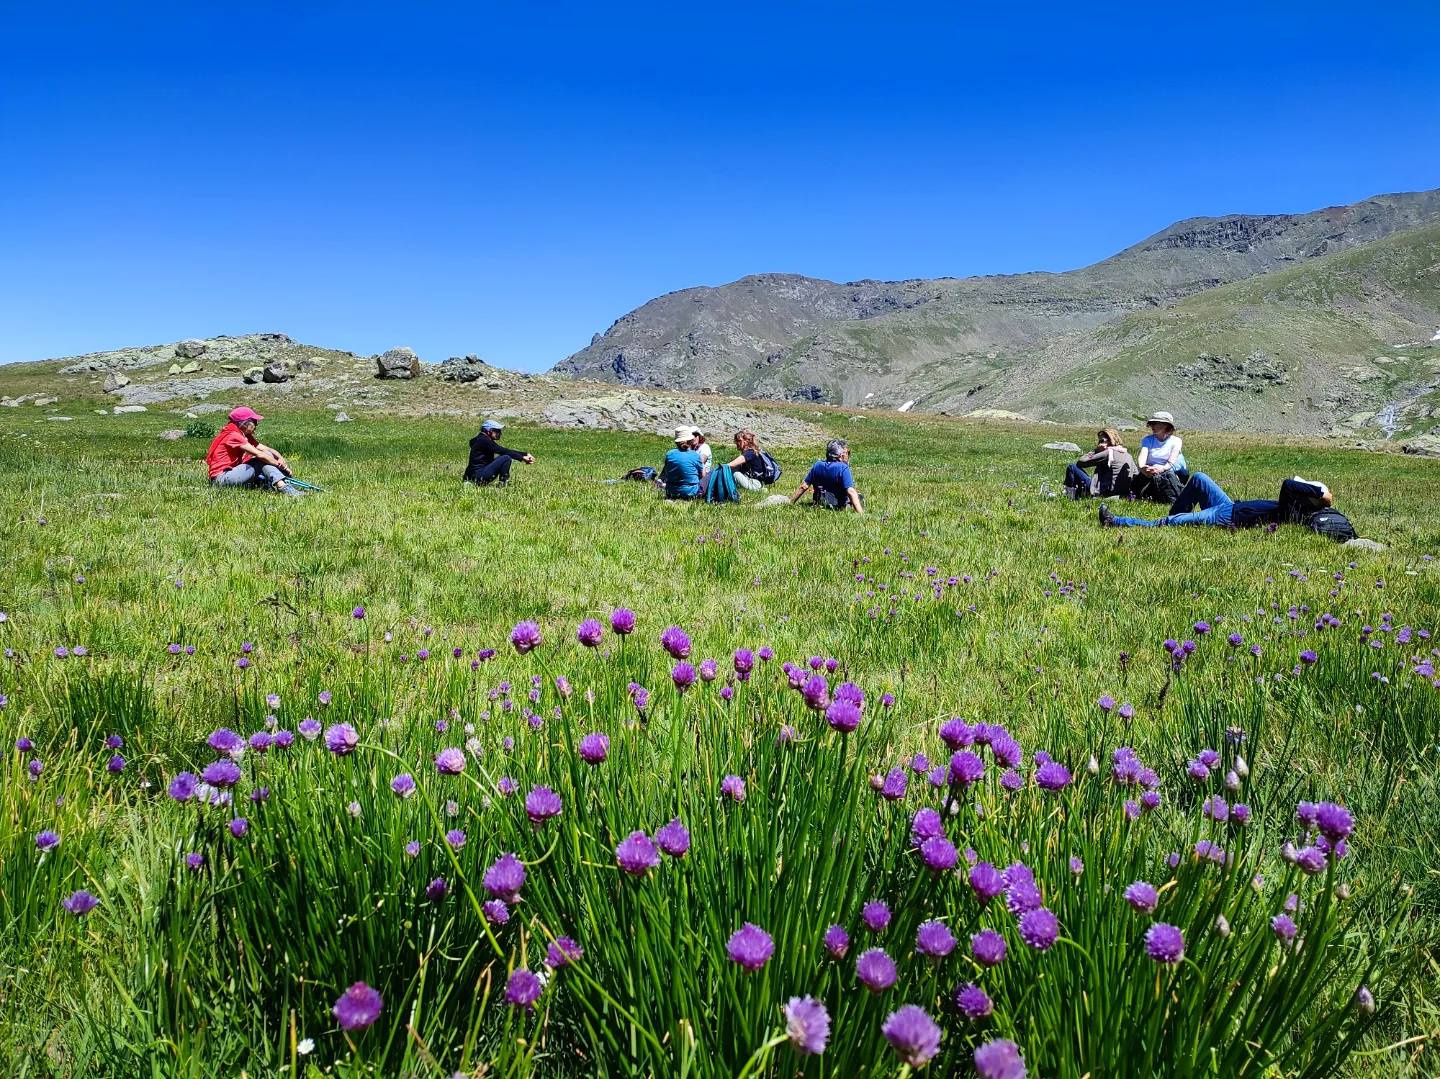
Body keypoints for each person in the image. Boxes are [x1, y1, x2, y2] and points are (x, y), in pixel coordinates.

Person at [1098, 473, 1333, 530]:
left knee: (1173, 521)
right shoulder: (1293, 506)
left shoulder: (1293, 511)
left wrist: (1322, 494)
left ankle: (1116, 521)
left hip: (1226, 517)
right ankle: (1177, 517)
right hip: (1229, 505)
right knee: (1199, 478)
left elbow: (1288, 484)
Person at [205, 407, 303, 496]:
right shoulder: (234, 435)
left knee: (266, 457)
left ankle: (277, 483)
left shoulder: (243, 434)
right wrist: (280, 466)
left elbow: (267, 450)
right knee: (261, 460)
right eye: (254, 422)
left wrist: (281, 459)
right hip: (221, 479)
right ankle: (283, 487)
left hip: (230, 475)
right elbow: (259, 454)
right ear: (244, 423)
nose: (256, 425)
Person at [791, 439, 864, 513]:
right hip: (837, 507)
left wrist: (790, 502)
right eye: (848, 453)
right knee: (859, 497)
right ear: (841, 456)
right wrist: (861, 514)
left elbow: (803, 487)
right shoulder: (843, 468)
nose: (848, 456)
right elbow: (851, 491)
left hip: (819, 504)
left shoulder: (817, 465)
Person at [1133, 411, 1187, 503]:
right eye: (1152, 423)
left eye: (1156, 423)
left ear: (1166, 426)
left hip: (1168, 471)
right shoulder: (1147, 440)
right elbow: (1142, 456)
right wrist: (1143, 468)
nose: (1153, 426)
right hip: (1150, 471)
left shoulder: (1176, 441)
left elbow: (1171, 461)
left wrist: (1162, 468)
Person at [1064, 429, 1135, 498]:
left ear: (1110, 440)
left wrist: (1096, 451)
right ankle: (1080, 493)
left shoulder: (1108, 453)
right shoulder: (1128, 455)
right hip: (1122, 493)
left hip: (1104, 492)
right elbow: (1135, 473)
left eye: (1101, 441)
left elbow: (1081, 462)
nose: (1099, 443)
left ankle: (1070, 496)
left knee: (1072, 467)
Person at [464, 420, 533, 486]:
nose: (500, 433)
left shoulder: (480, 439)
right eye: (497, 431)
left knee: (502, 457)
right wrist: (522, 457)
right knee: (506, 458)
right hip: (479, 476)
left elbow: (503, 450)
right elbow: (503, 451)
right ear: (489, 431)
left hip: (473, 475)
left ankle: (470, 482)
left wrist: (524, 454)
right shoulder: (484, 441)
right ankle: (503, 483)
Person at [659, 429, 704, 500]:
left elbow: (666, 472)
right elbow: (702, 475)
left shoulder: (669, 454)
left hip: (671, 492)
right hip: (691, 493)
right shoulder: (695, 455)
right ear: (690, 440)